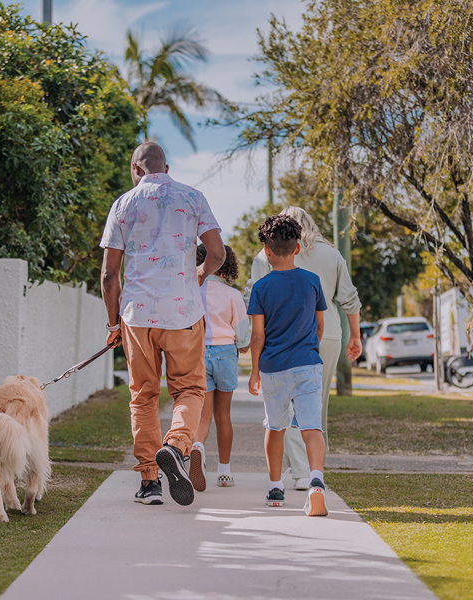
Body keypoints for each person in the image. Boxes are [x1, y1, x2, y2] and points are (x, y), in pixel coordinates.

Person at [99, 141, 224, 506]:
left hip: (137, 316)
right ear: (165, 169)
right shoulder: (192, 197)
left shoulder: (123, 203)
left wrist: (112, 326)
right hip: (183, 312)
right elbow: (216, 254)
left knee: (143, 397)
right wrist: (198, 273)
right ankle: (176, 445)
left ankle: (150, 483)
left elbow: (109, 275)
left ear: (136, 170)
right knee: (189, 390)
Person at [247, 207, 359, 489]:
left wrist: (254, 364)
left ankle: (295, 475)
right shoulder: (331, 255)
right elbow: (348, 298)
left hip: (277, 344)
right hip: (324, 339)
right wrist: (354, 335)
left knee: (278, 418)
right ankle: (315, 473)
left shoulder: (264, 256)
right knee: (314, 408)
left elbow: (255, 307)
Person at [248, 215, 331, 509]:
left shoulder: (260, 288)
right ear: (297, 248)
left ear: (266, 251)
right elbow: (320, 325)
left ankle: (274, 489)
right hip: (308, 364)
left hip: (274, 369)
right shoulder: (312, 281)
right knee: (311, 428)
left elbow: (258, 336)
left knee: (275, 427)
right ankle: (316, 482)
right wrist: (308, 348)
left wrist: (254, 370)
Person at [190, 244, 247, 489]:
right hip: (225, 353)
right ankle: (224, 472)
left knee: (203, 417)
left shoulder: (192, 291)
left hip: (199, 352)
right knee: (223, 416)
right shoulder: (233, 295)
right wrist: (242, 345)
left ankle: (197, 448)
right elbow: (243, 338)